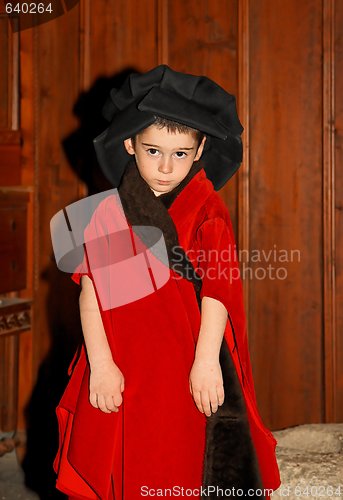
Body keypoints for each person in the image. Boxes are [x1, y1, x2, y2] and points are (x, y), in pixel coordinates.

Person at [52, 65, 281, 499]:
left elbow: (218, 291)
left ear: (199, 152)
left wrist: (206, 361)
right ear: (129, 144)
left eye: (179, 154)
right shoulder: (108, 212)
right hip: (123, 360)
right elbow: (93, 294)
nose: (164, 166)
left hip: (184, 360)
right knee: (121, 459)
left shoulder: (207, 208)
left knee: (179, 459)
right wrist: (100, 365)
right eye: (153, 150)